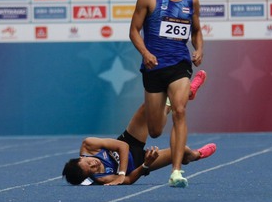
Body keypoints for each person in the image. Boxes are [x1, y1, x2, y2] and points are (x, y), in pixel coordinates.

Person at [129, 0, 204, 188]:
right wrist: (146, 53)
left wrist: (199, 49)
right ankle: (171, 102)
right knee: (155, 131)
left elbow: (197, 30)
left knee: (181, 111)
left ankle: (176, 171)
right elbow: (133, 30)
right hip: (153, 67)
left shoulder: (191, 1)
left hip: (179, 64)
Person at [62, 74, 215, 185]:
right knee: (184, 151)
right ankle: (198, 155)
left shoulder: (89, 144)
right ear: (89, 177)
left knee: (149, 109)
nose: (94, 165)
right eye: (91, 170)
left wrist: (120, 174)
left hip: (127, 141)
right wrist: (146, 164)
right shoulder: (102, 178)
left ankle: (187, 93)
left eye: (88, 163)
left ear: (82, 157)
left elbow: (122, 146)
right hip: (138, 163)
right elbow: (128, 180)